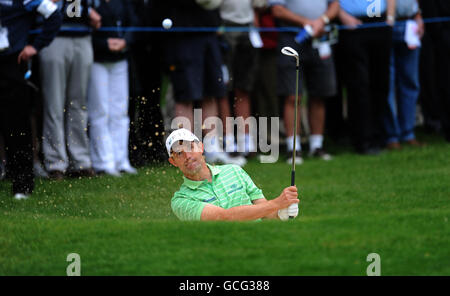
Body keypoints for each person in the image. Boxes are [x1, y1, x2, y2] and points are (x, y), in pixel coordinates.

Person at [161, 0, 245, 167]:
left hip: (209, 32)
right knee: (186, 95)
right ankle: (185, 152)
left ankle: (213, 149)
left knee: (211, 93)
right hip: (183, 33)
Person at [167, 128, 299, 221]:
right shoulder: (181, 201)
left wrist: (282, 213)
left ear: (201, 147)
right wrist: (276, 203)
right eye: (179, 153)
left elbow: (263, 210)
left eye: (190, 147)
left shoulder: (234, 171)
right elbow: (224, 217)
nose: (187, 156)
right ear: (173, 162)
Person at [0, 0, 62, 198]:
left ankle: (22, 185)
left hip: (11, 63)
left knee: (16, 126)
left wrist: (35, 46)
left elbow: (53, 14)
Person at [269, 0, 339, 164]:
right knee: (292, 96)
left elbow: (335, 4)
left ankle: (317, 146)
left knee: (319, 95)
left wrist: (321, 21)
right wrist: (307, 23)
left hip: (320, 37)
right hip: (292, 38)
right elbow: (277, 10)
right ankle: (294, 149)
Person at [39, 0, 101, 180]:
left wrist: (89, 10)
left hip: (82, 37)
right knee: (54, 103)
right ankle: (56, 163)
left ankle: (80, 161)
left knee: (78, 103)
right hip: (54, 36)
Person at [338, 0, 396, 155]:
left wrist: (389, 17)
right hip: (352, 24)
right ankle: (362, 139)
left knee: (381, 82)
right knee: (359, 84)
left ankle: (378, 135)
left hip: (380, 23)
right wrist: (342, 16)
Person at [87, 0, 138, 176]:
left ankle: (121, 160)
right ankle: (104, 161)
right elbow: (86, 29)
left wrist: (125, 41)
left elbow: (133, 23)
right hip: (97, 60)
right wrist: (103, 44)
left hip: (120, 59)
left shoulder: (122, 3)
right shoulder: (91, 3)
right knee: (100, 110)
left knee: (120, 111)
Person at [217, 0, 259, 158]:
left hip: (248, 28)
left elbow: (259, 5)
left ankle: (246, 142)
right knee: (224, 89)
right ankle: (229, 143)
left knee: (244, 88)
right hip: (224, 27)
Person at [383, 0, 425, 150]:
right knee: (388, 83)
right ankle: (391, 135)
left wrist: (418, 16)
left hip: (409, 24)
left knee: (410, 81)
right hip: (384, 24)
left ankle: (408, 133)